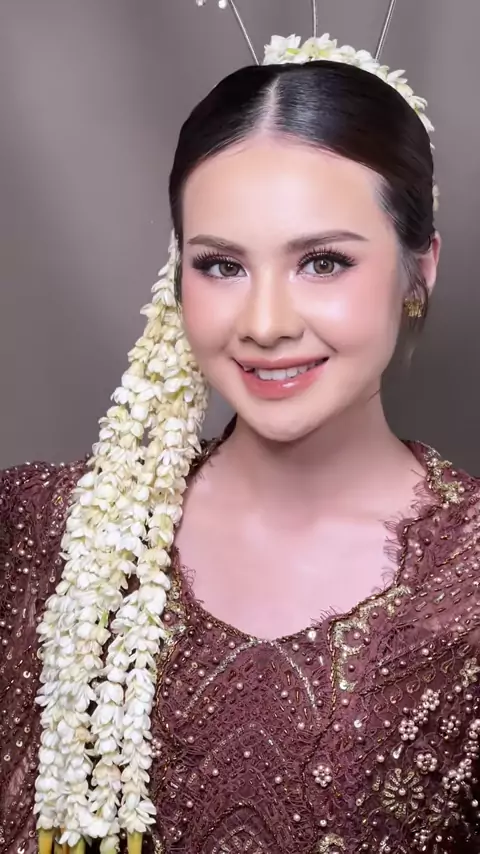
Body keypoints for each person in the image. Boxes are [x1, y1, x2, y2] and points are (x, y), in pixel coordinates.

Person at [1, 25, 480, 854]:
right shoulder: (43, 533)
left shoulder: (467, 591)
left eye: (322, 262)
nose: (264, 324)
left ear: (420, 269)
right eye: (222, 265)